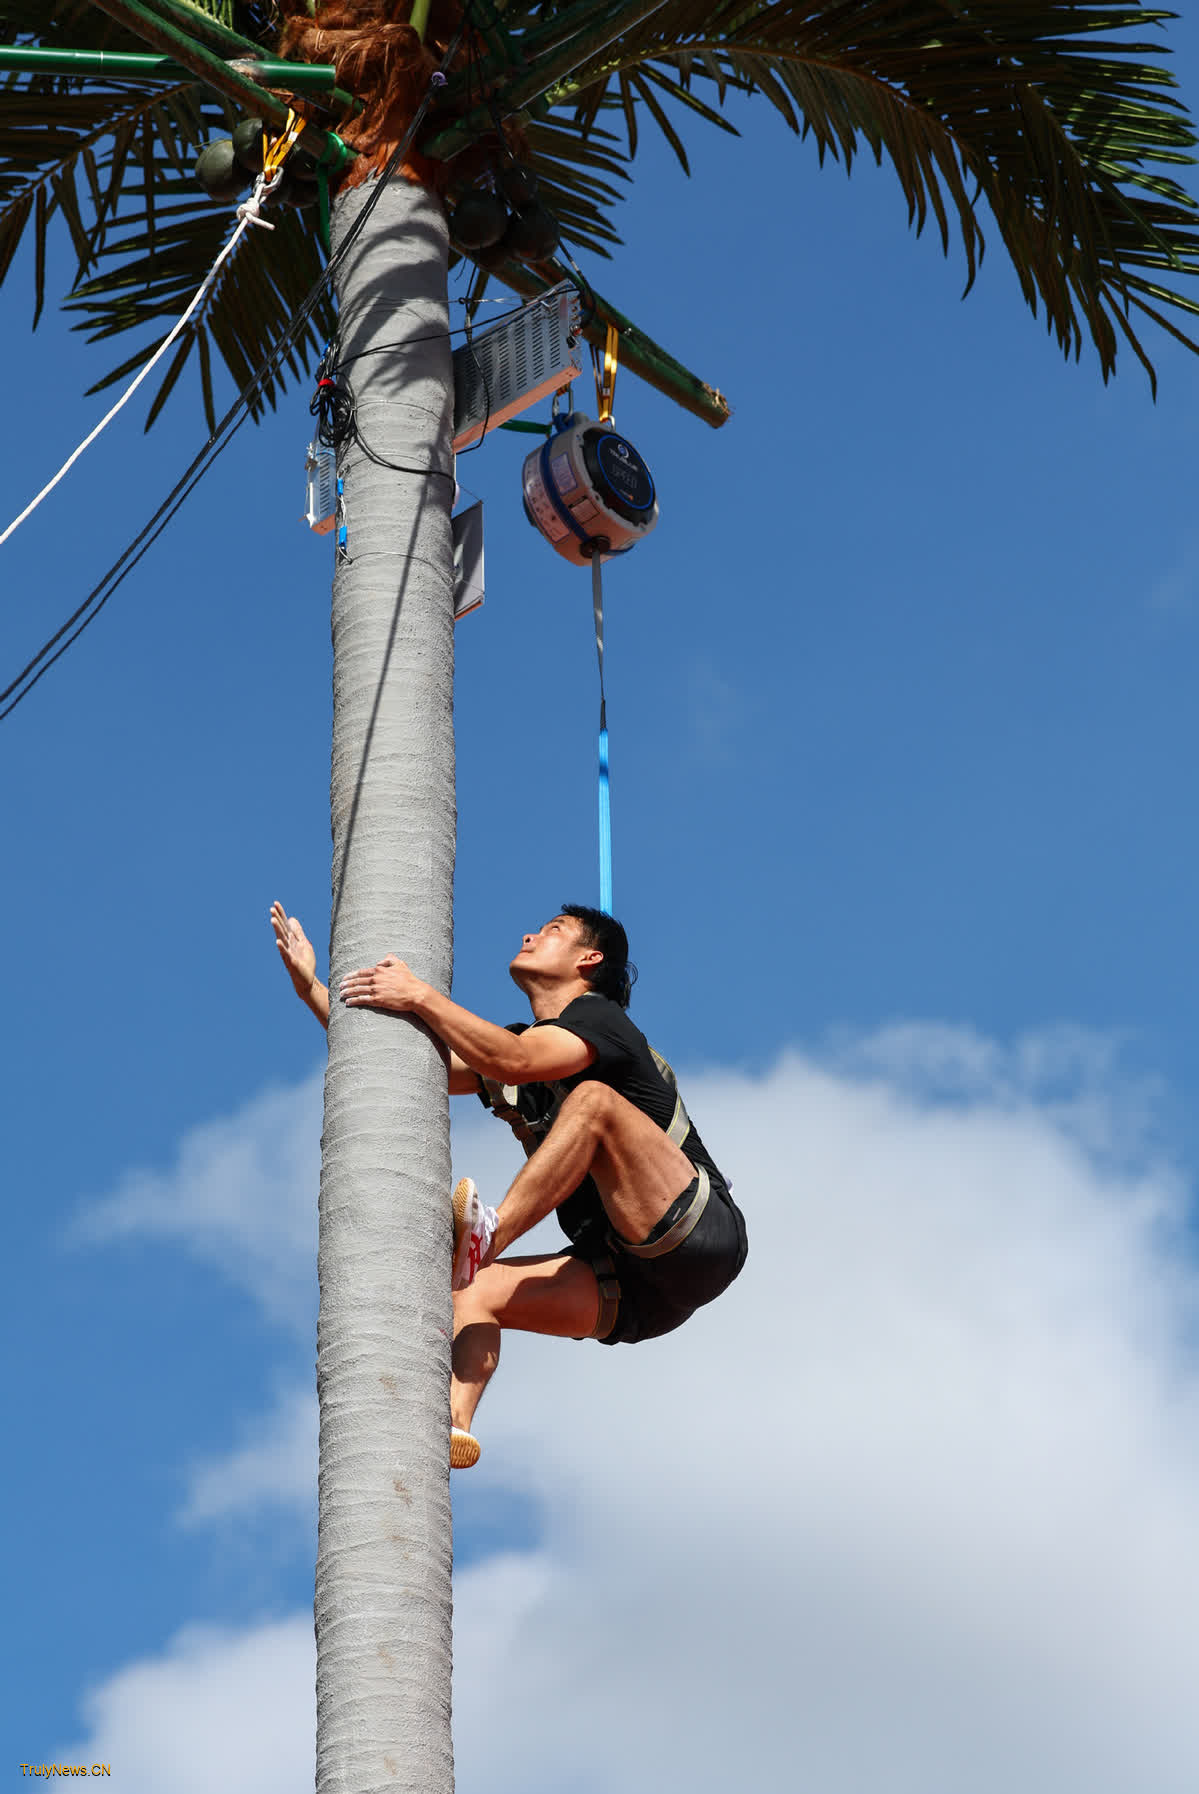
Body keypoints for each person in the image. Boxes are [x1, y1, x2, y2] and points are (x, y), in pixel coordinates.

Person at [270, 900, 747, 1468]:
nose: (528, 934)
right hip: (638, 1292)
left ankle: (489, 1234)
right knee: (474, 1291)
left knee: (594, 1103)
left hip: (700, 1234)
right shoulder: (527, 1045)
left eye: (553, 931)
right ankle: (454, 1423)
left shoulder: (599, 1020)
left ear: (589, 959)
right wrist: (313, 991)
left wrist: (420, 994)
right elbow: (432, 1067)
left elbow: (515, 1059)